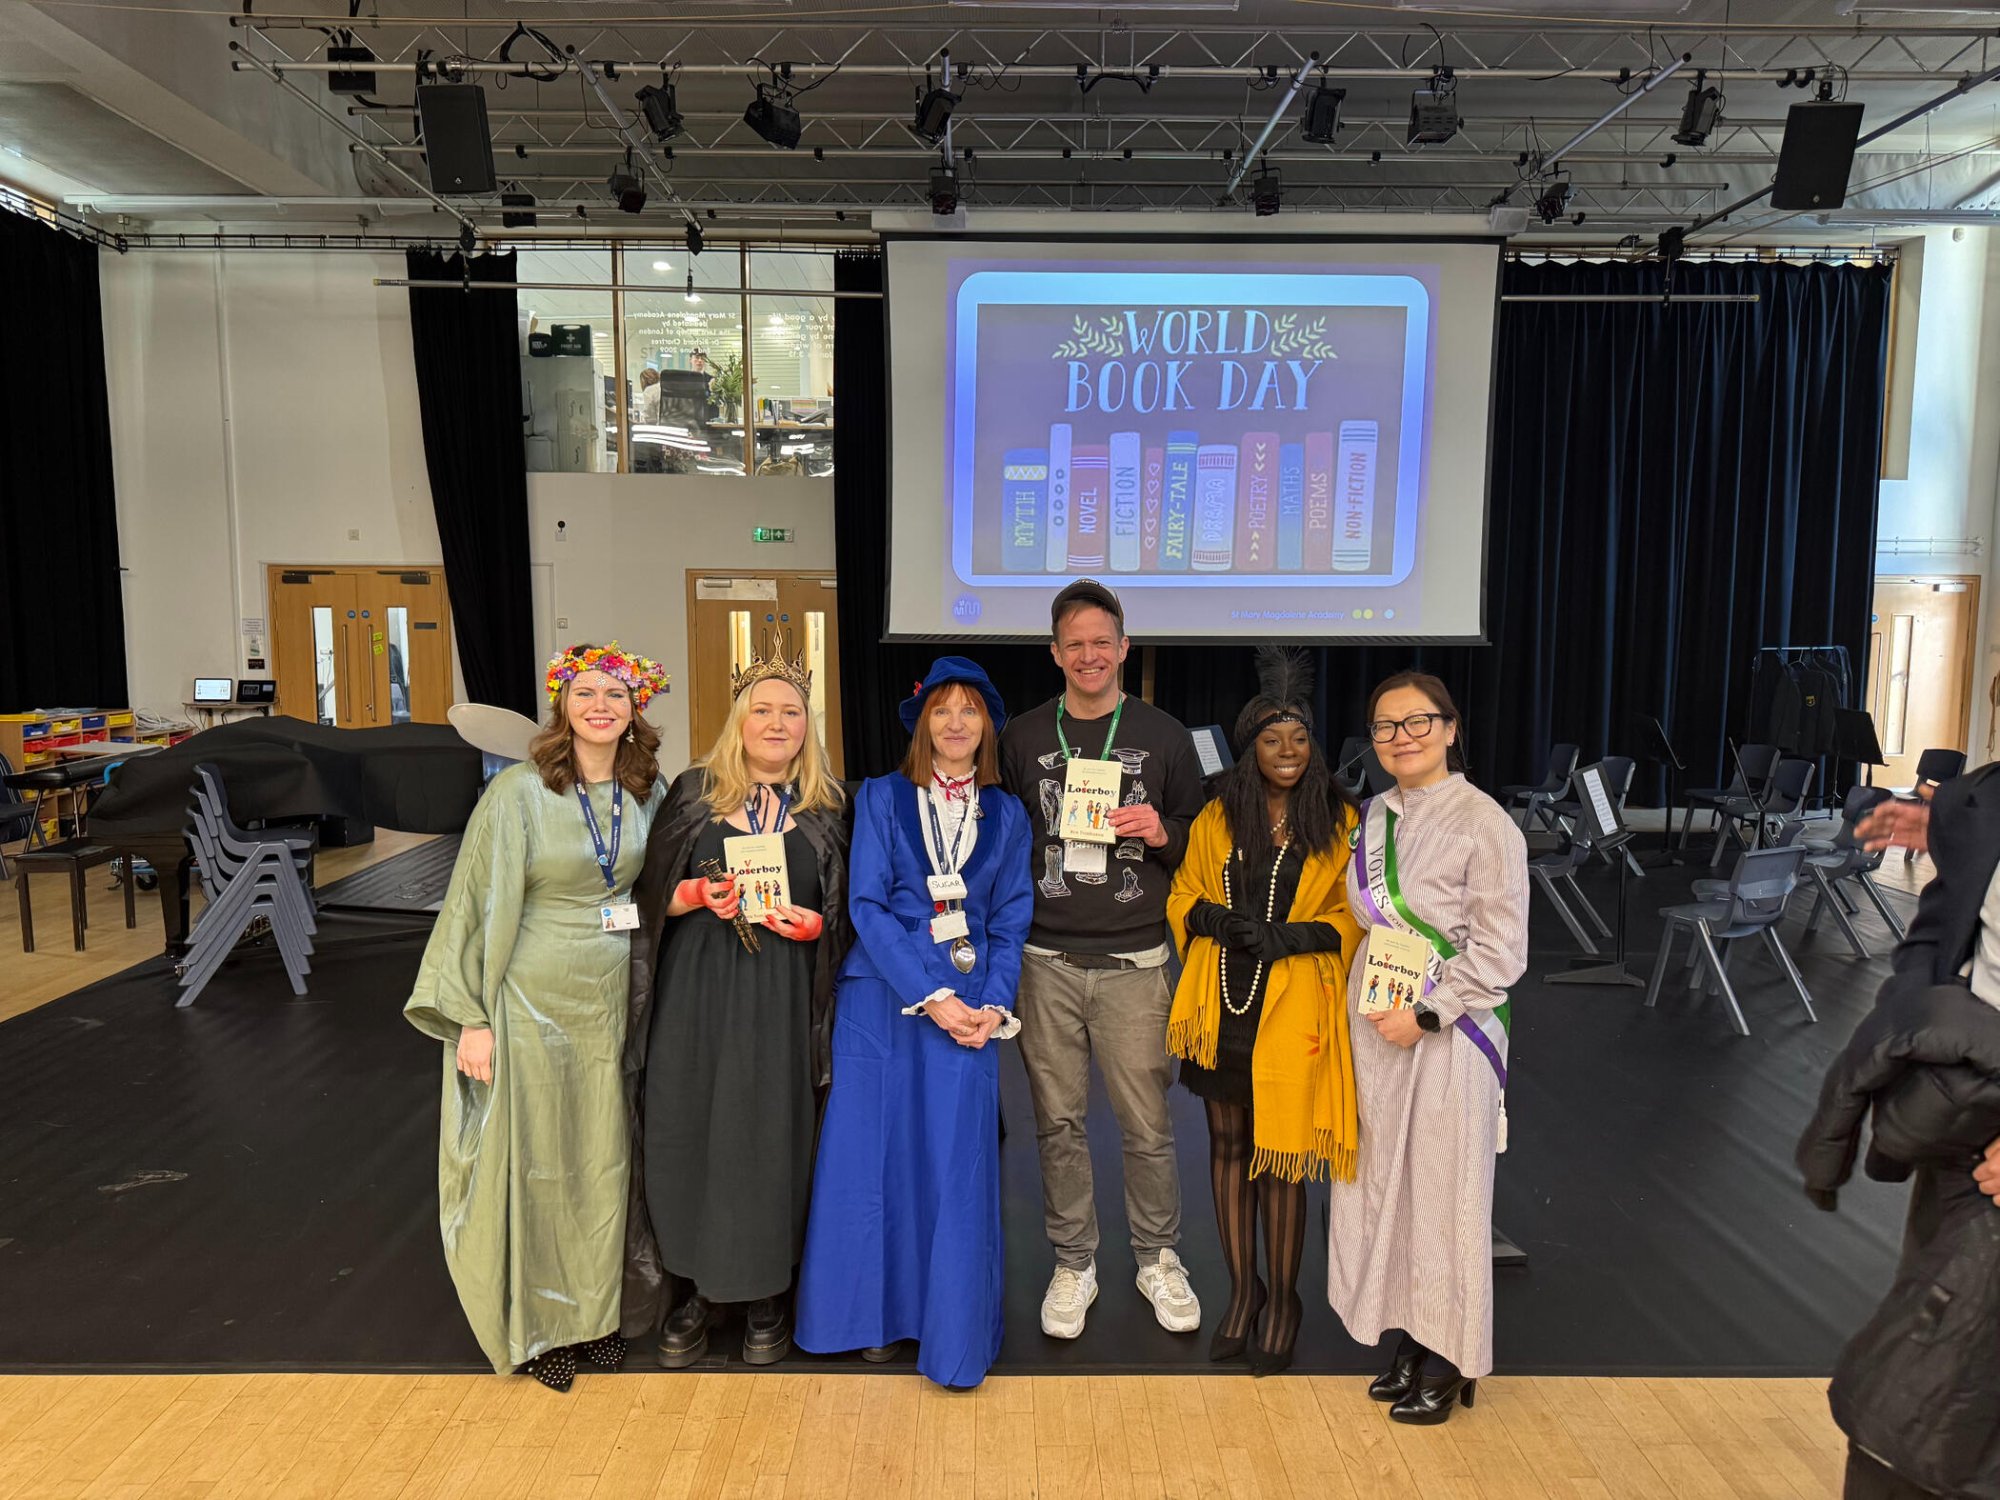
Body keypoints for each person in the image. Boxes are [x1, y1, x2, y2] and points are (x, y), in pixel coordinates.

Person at [405, 642, 671, 1391]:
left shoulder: (646, 790)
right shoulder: (518, 795)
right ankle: (540, 1326)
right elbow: (472, 905)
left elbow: (659, 888)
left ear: (634, 711)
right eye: (585, 693)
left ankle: (596, 1315)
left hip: (614, 996)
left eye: (615, 696)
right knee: (541, 1164)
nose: (600, 706)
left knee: (604, 1160)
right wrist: (473, 1019)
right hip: (528, 1001)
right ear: (563, 704)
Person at [795, 657, 1034, 1388]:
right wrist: (931, 995)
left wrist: (990, 1004)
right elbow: (866, 905)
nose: (955, 724)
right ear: (922, 722)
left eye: (969, 712)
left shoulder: (1010, 813)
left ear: (986, 726)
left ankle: (947, 1327)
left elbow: (1009, 917)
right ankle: (867, 1317)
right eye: (942, 711)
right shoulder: (881, 797)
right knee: (874, 1159)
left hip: (972, 1011)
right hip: (884, 1000)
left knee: (953, 1164)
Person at [627, 636, 851, 1369]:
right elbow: (643, 897)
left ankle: (763, 1296)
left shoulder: (828, 806)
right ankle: (694, 1293)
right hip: (698, 995)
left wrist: (819, 926)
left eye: (792, 712)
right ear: (739, 721)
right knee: (689, 1129)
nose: (778, 724)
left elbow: (851, 912)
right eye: (763, 710)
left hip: (783, 1002)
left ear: (806, 726)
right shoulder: (693, 795)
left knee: (770, 1140)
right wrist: (689, 895)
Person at [998, 578, 1206, 1340]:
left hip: (1135, 962)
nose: (1090, 655)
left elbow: (1197, 837)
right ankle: (1074, 1261)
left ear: (1123, 648)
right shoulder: (1021, 737)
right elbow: (998, 837)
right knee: (1057, 1123)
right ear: (1056, 653)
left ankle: (1157, 1257)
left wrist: (1160, 832)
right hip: (1044, 958)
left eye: (1102, 642)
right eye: (1074, 643)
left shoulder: (1165, 734)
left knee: (1147, 1124)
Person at [1328, 670, 1528, 1425]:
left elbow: (1503, 951)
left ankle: (1452, 1358)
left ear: (1450, 729)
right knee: (1391, 1187)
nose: (1401, 738)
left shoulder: (1485, 824)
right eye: (1386, 727)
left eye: (1418, 723)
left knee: (1447, 1193)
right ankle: (1412, 1335)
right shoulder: (1373, 814)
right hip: (1379, 1028)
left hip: (1450, 1033)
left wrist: (1431, 1013)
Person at [1166, 647, 1361, 1377]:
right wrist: (1213, 920)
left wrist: (1299, 935)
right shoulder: (1220, 814)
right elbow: (1182, 891)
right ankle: (1242, 1293)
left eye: (1300, 738)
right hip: (1222, 1003)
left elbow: (1355, 914)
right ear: (1250, 750)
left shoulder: (1340, 820)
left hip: (1294, 1006)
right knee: (1226, 1147)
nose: (1288, 751)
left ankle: (1284, 1301)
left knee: (1281, 1161)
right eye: (1273, 740)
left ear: (1314, 748)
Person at [1812, 762, 2000, 1497]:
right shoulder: (1983, 795)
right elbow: (1940, 938)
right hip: (1966, 1131)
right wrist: (1918, 1033)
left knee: (1918, 1416)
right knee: (1921, 1411)